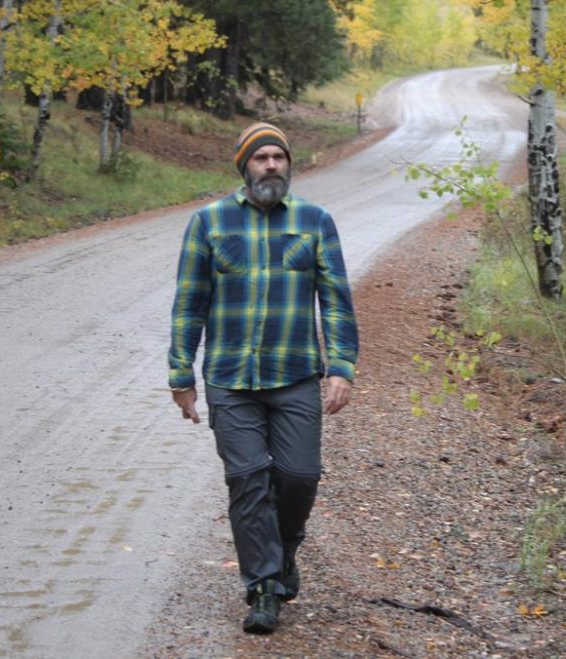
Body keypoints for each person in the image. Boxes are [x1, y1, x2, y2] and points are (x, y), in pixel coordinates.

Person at [168, 122, 359, 634]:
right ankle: (264, 588)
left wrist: (341, 366)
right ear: (244, 166)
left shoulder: (315, 221)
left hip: (295, 374)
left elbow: (336, 300)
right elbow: (189, 304)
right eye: (261, 157)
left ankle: (284, 548)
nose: (272, 165)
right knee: (247, 478)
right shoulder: (209, 222)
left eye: (279, 156)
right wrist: (181, 375)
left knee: (299, 476)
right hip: (230, 379)